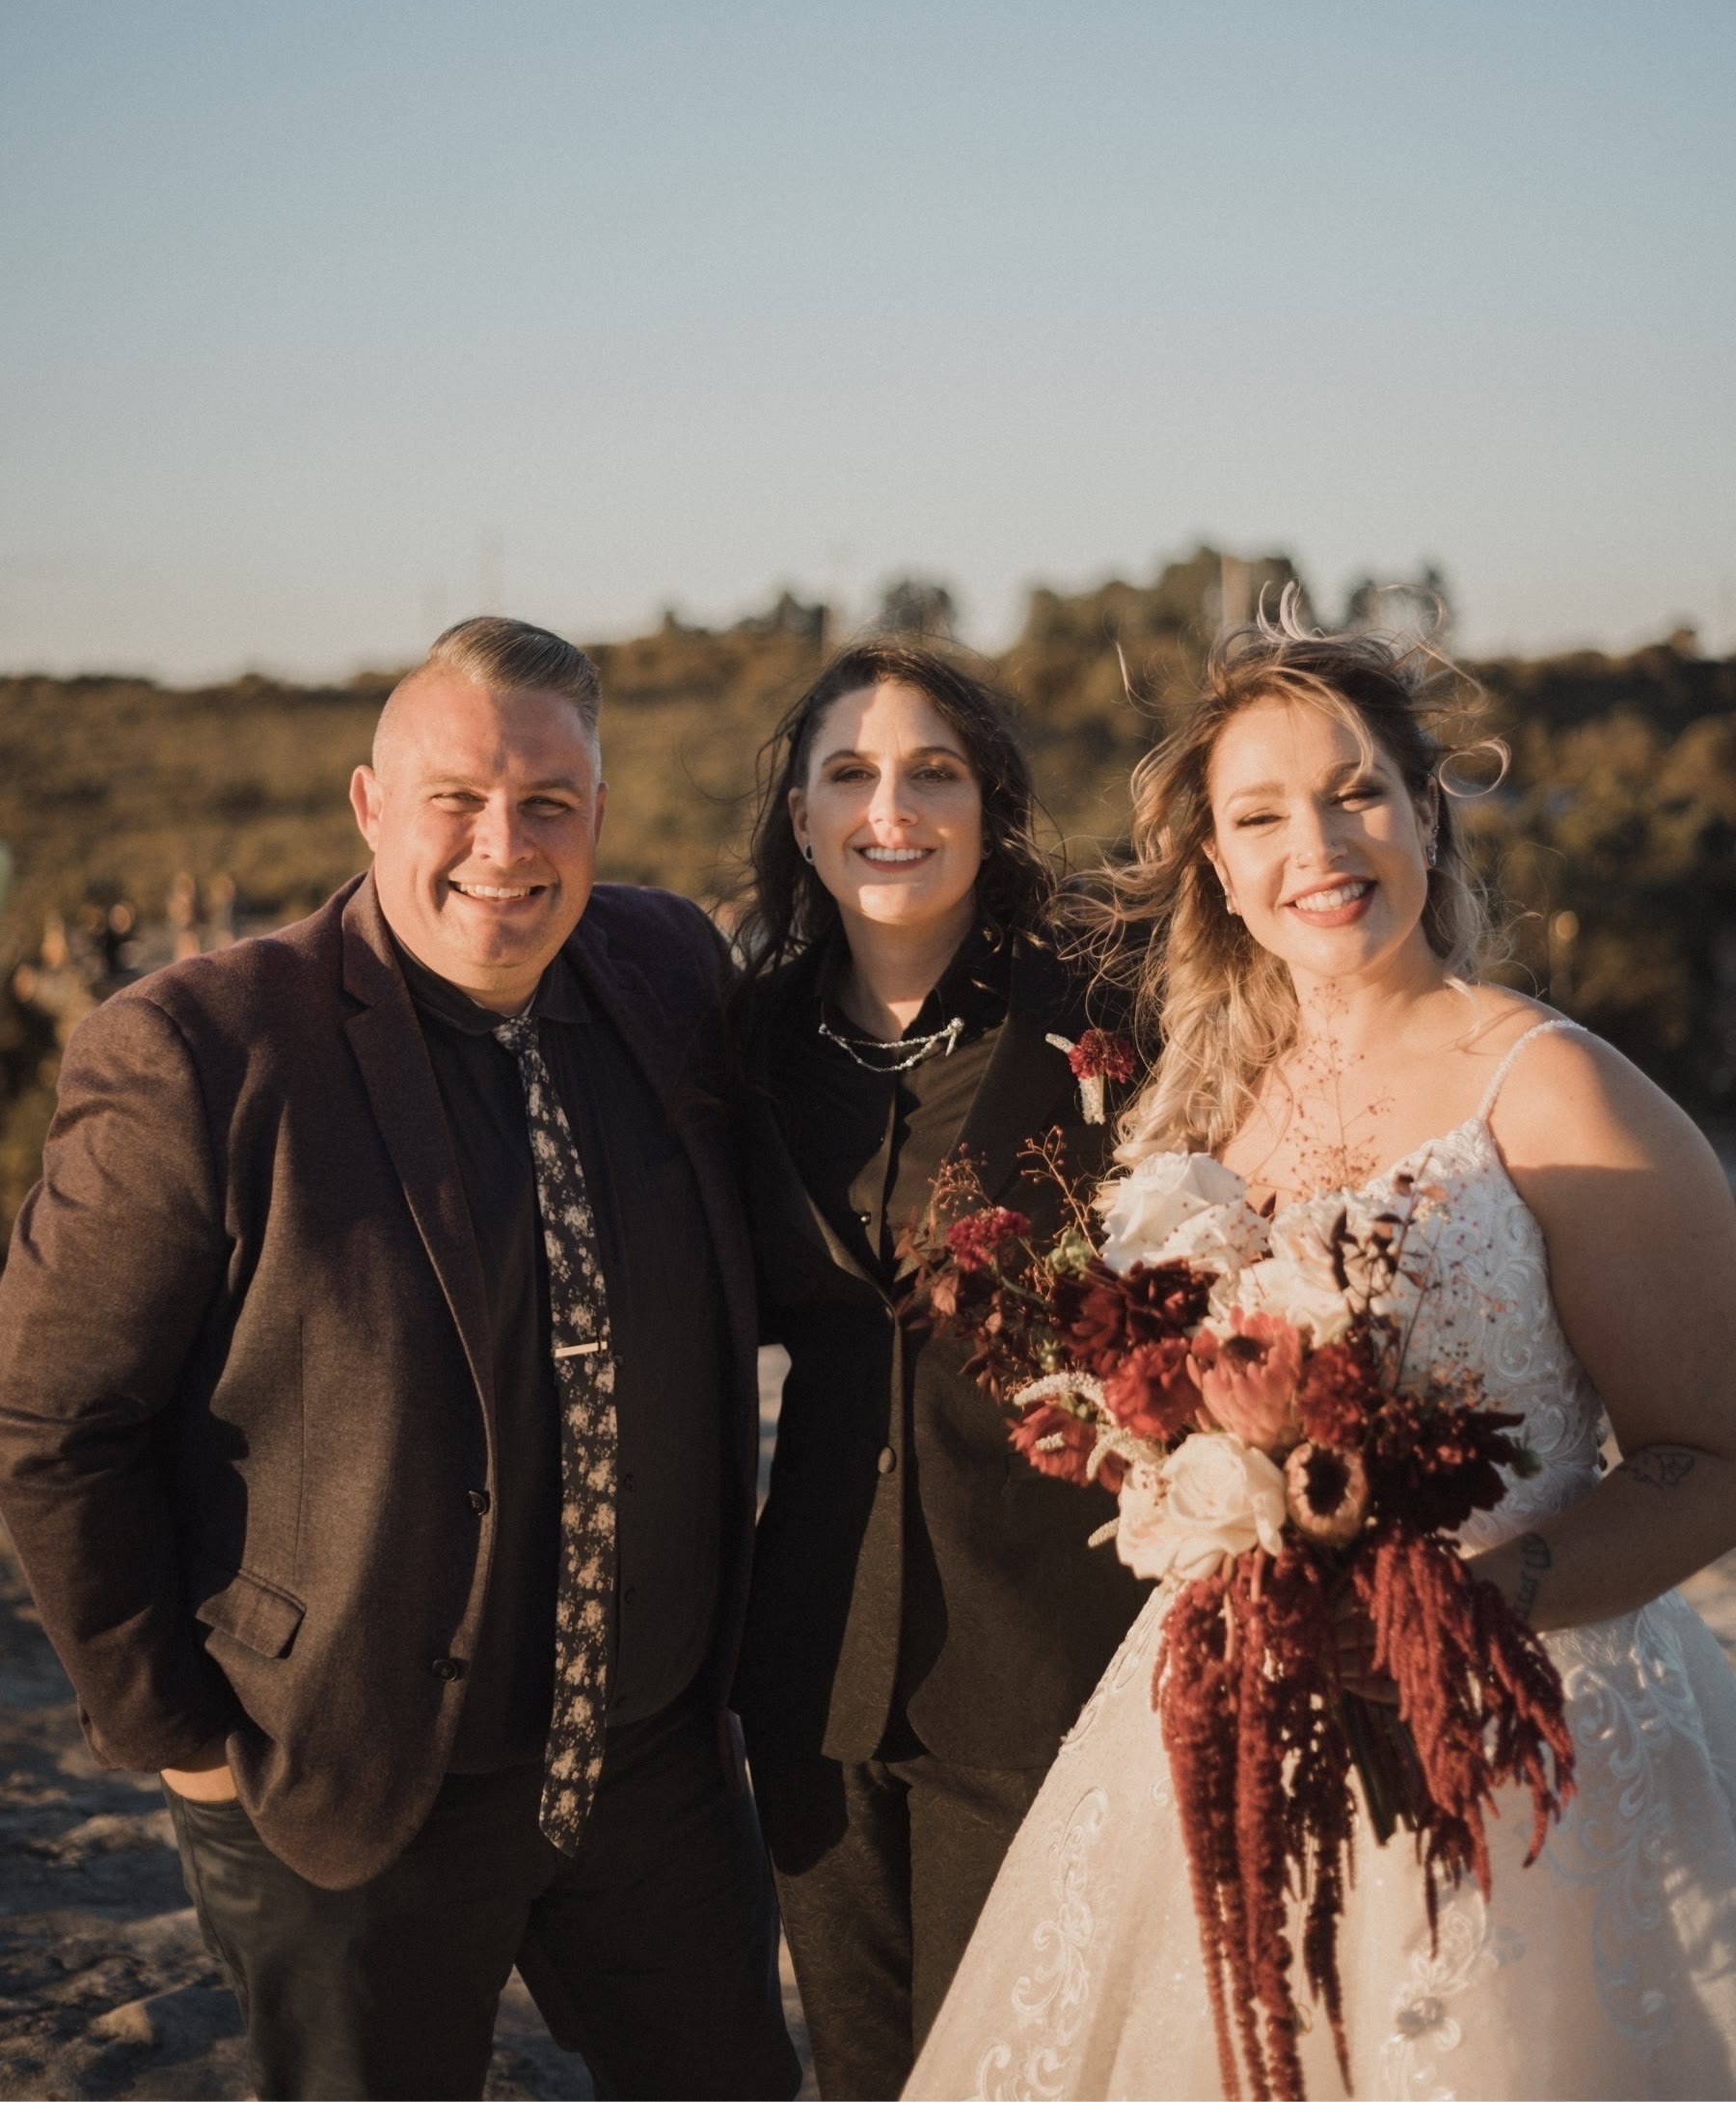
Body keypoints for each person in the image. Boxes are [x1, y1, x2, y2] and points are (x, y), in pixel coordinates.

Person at [910, 610, 1736, 2102]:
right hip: (1237, 1718)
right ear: (1217, 868)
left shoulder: (1554, 1092)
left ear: (1428, 812)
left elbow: (1712, 1454)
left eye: (1358, 793)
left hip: (1520, 1744)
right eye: (1262, 815)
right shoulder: (1202, 1109)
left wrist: (1474, 1607)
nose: (1320, 844)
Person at [0, 617, 798, 2102]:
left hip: (656, 1773)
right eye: (457, 799)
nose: (505, 845)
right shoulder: (203, 1049)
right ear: (371, 807)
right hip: (351, 1787)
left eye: (547, 803)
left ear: (598, 813)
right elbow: (49, 1420)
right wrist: (179, 1744)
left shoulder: (670, 966)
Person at [731, 641, 1146, 2099]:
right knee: (862, 2071)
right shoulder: (746, 1047)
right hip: (813, 1663)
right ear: (802, 819)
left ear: (992, 807)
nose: (890, 809)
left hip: (1043, 1647)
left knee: (1007, 2073)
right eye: (850, 774)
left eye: (934, 773)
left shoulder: (1109, 1016)